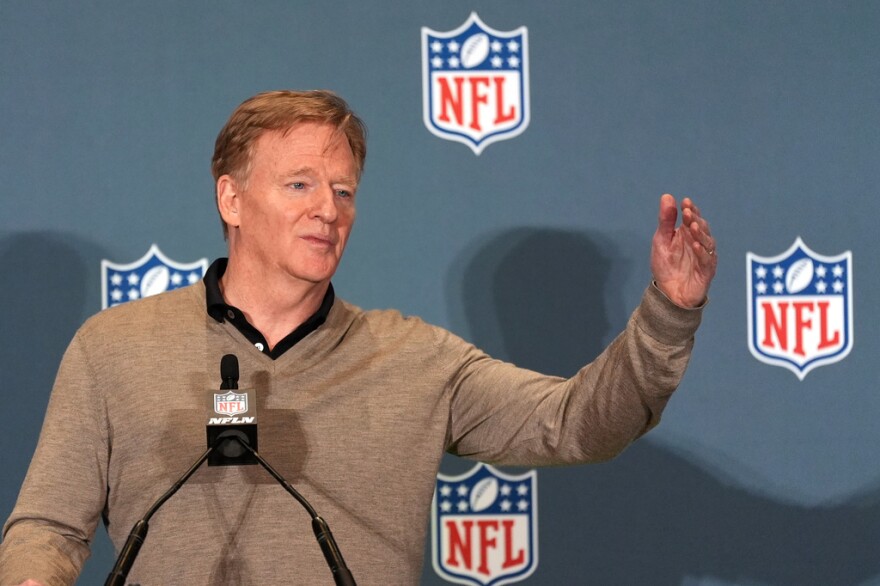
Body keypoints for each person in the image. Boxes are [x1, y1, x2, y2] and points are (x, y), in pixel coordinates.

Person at [0, 90, 717, 585]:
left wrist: (668, 311)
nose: (328, 211)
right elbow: (49, 523)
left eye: (344, 191)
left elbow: (577, 423)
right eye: (300, 186)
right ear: (231, 198)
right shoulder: (114, 348)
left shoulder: (415, 362)